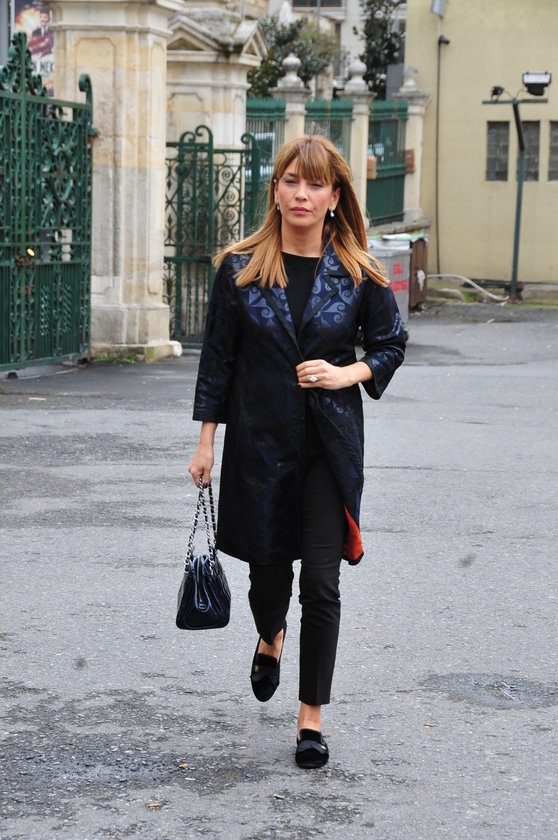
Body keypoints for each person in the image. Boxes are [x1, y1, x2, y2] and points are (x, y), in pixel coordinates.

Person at [188, 134, 405, 769]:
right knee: (268, 574)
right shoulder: (240, 269)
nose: (301, 194)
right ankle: (271, 632)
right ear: (276, 191)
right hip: (258, 446)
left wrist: (345, 374)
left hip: (327, 450)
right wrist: (205, 442)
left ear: (335, 197)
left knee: (321, 582)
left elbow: (390, 344)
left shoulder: (358, 272)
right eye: (291, 181)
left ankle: (311, 718)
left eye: (314, 184)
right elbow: (218, 360)